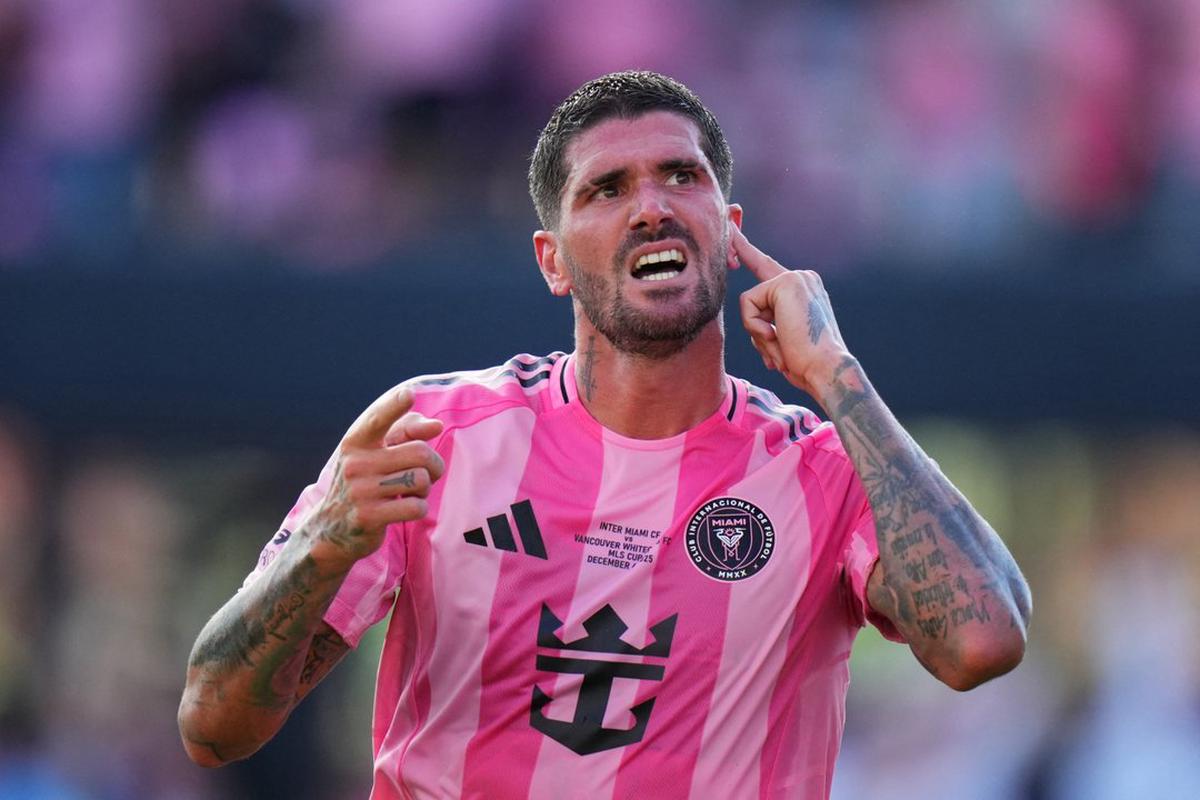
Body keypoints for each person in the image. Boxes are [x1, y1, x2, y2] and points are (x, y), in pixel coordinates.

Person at [178, 71, 1031, 799]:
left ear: (729, 231)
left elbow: (982, 641)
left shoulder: (819, 468)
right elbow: (215, 727)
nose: (652, 208)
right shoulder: (440, 435)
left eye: (680, 177)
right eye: (607, 189)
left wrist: (839, 377)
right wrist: (322, 547)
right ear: (552, 260)